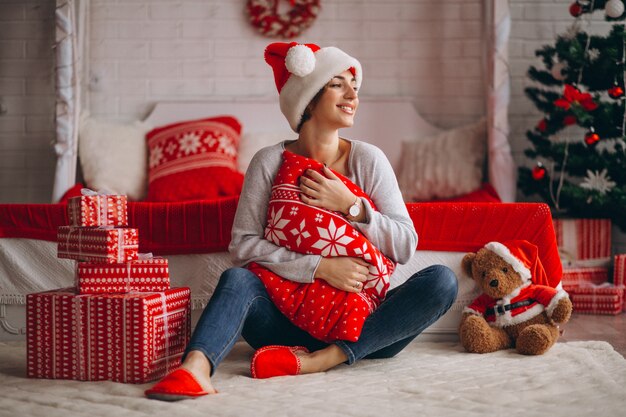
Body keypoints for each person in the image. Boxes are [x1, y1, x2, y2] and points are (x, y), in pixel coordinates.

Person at [145, 42, 458, 401]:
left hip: (363, 331)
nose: (352, 93)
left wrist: (352, 206)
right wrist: (319, 267)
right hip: (280, 325)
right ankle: (195, 369)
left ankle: (323, 360)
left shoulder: (368, 160)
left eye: (354, 85)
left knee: (441, 281)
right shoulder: (269, 161)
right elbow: (243, 244)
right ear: (308, 100)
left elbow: (405, 244)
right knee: (237, 279)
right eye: (338, 83)